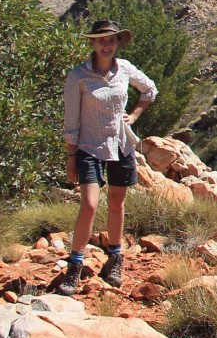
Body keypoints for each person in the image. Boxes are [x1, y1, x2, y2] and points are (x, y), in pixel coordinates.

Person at [59, 18, 158, 295]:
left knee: (117, 203)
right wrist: (70, 155)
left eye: (112, 39)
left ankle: (115, 259)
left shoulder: (124, 69)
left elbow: (149, 89)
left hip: (120, 143)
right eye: (102, 39)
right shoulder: (78, 76)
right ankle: (75, 265)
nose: (107, 45)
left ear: (118, 42)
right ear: (92, 42)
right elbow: (71, 119)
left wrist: (135, 115)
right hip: (89, 146)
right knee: (89, 205)